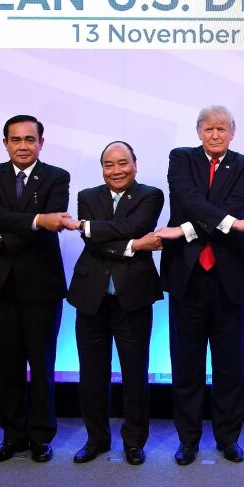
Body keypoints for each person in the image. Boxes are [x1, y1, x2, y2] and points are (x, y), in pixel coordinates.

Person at [156, 105, 244, 465]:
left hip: (230, 276)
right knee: (186, 363)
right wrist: (229, 221)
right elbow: (187, 200)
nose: (216, 135)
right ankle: (188, 440)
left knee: (231, 365)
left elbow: (233, 204)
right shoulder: (181, 158)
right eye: (209, 129)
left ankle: (228, 438)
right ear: (198, 131)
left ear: (233, 132)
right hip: (187, 276)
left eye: (223, 129)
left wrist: (184, 228)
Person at [64, 141, 165, 466]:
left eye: (123, 163)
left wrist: (94, 229)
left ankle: (134, 442)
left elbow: (132, 227)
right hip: (90, 297)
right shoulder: (87, 196)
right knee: (92, 375)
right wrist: (135, 245)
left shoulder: (150, 195)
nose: (116, 170)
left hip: (132, 299)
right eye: (109, 164)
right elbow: (93, 243)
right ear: (102, 167)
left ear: (135, 164)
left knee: (134, 375)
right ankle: (96, 439)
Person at [0, 114, 71, 463]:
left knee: (42, 363)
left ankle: (41, 436)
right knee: (9, 364)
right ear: (5, 143)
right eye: (15, 139)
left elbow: (52, 223)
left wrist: (1, 239)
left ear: (41, 143)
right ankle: (12, 436)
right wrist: (34, 220)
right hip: (2, 285)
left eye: (29, 139)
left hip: (42, 285)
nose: (22, 145)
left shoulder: (57, 177)